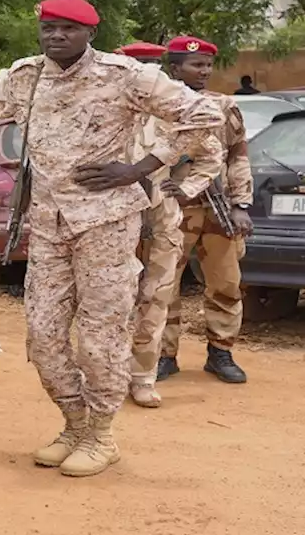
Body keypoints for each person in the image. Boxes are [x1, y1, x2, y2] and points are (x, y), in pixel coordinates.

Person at [0, 0, 223, 477]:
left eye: (68, 29)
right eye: (49, 28)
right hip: (49, 225)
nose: (56, 36)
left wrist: (139, 166)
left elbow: (203, 116)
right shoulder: (24, 77)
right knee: (44, 336)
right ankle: (73, 424)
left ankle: (101, 435)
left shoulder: (125, 75)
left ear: (90, 33)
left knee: (101, 338)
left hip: (107, 224)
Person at [119, 41, 224, 408]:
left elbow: (211, 158)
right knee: (111, 299)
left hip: (162, 215)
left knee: (157, 295)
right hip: (113, 218)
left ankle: (143, 377)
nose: (146, 72)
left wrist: (184, 189)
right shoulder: (106, 109)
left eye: (152, 65)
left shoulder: (175, 109)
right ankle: (107, 374)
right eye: (138, 65)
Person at [155, 37, 254, 385]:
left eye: (208, 65)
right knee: (163, 285)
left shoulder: (224, 106)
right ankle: (163, 355)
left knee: (226, 283)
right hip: (171, 209)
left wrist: (241, 205)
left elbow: (238, 156)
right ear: (174, 68)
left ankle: (221, 352)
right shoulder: (157, 105)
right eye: (196, 65)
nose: (205, 71)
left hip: (217, 209)